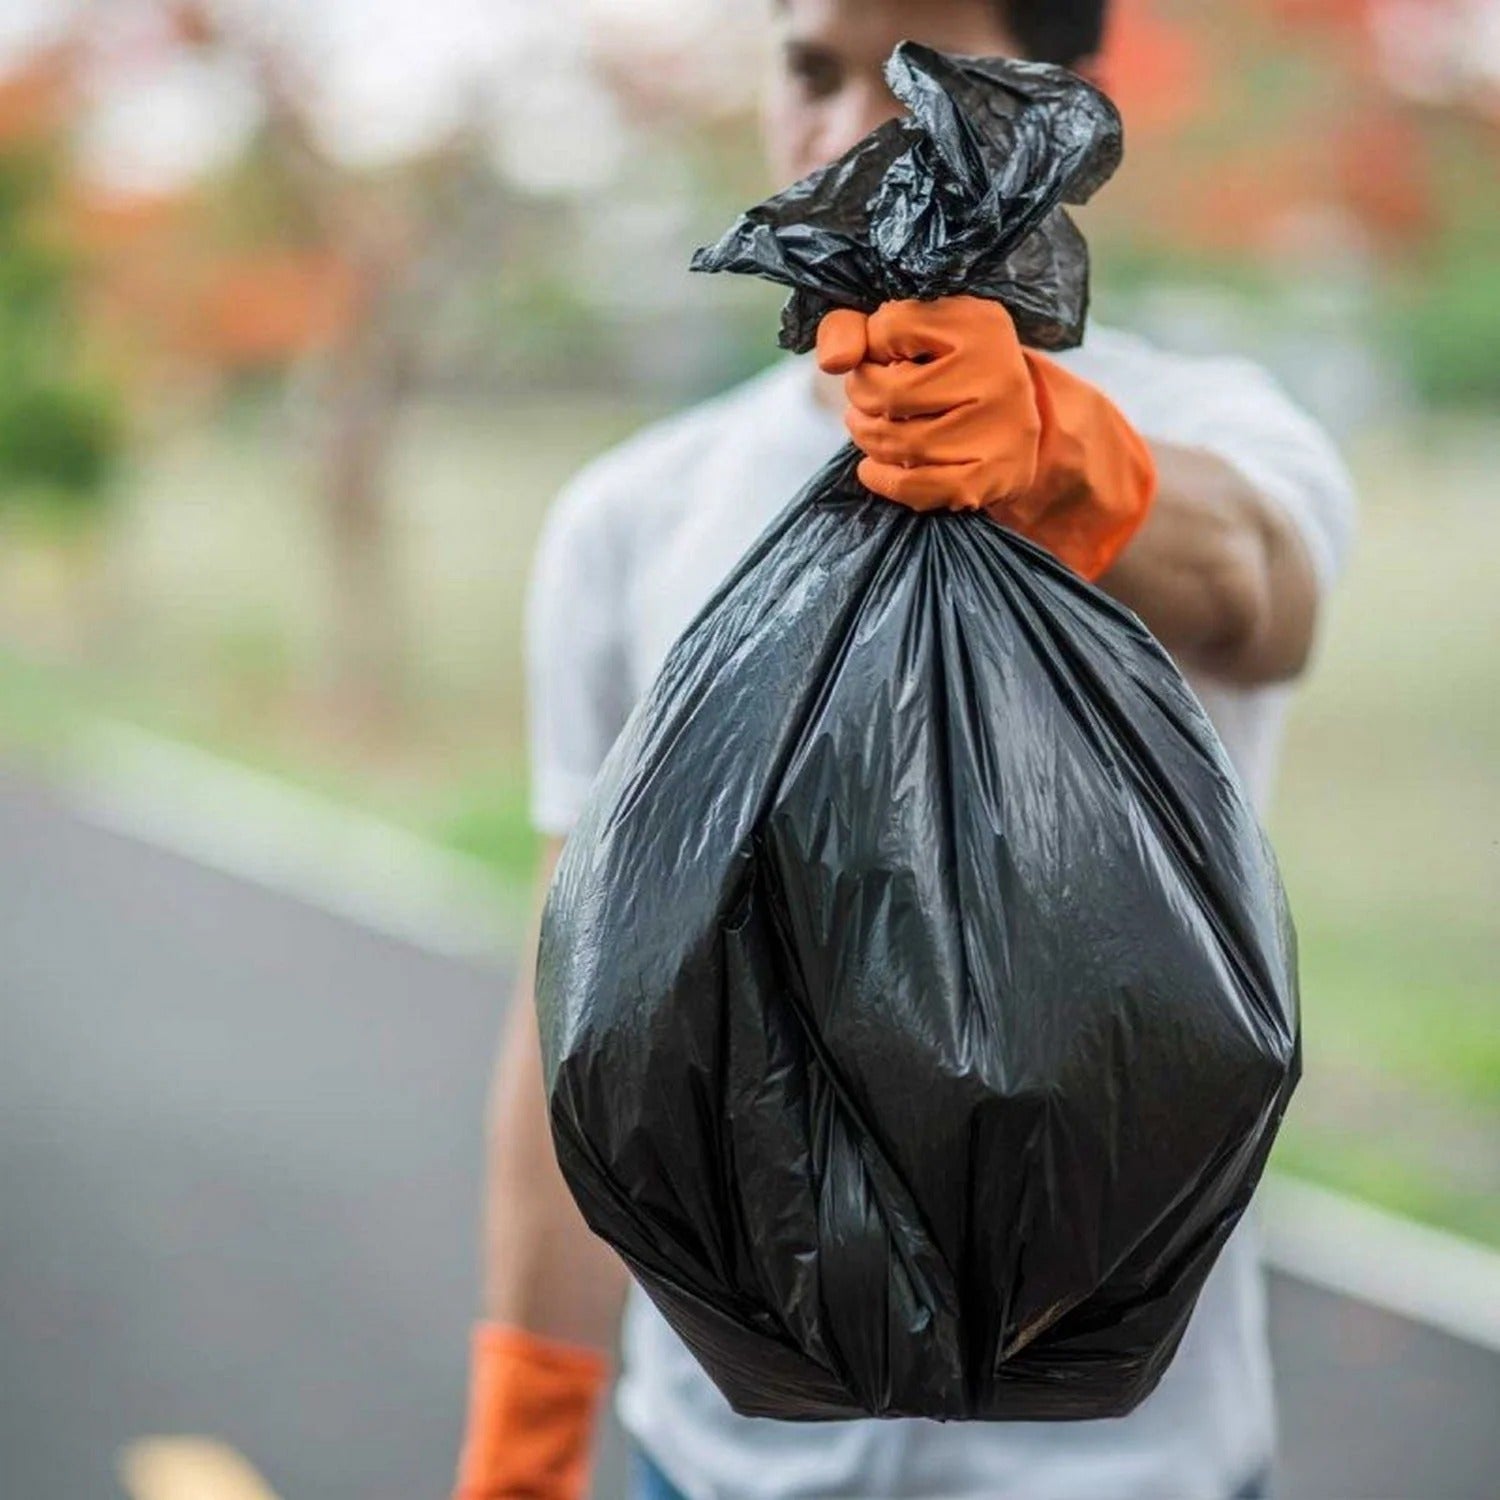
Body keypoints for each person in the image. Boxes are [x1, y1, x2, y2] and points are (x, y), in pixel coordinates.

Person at [451, 2, 1356, 1497]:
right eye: (812, 70)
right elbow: (577, 999)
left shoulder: (1211, 427)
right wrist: (528, 1437)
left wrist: (1067, 455)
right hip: (718, 1463)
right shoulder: (636, 516)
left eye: (925, 81)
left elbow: (1260, 585)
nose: (857, 128)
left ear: (1060, 104)